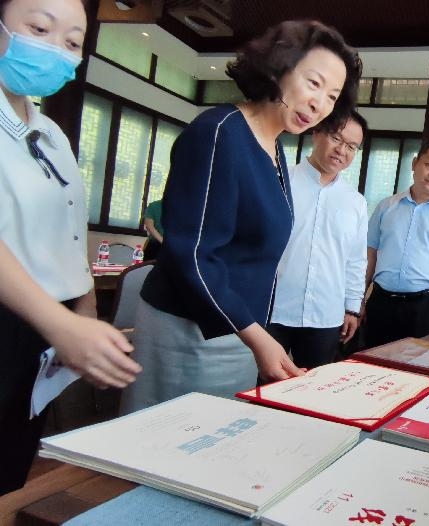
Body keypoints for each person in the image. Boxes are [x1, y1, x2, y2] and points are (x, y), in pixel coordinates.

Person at [119, 20, 361, 414]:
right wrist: (257, 338)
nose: (320, 104)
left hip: (240, 330)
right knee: (169, 436)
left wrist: (254, 335)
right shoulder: (219, 132)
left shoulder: (274, 146)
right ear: (278, 68)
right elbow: (192, 253)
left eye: (332, 96)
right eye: (313, 83)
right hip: (189, 329)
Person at [0, 0, 140, 494]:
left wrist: (83, 310)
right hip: (15, 314)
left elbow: (68, 225)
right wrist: (60, 324)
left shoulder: (50, 132)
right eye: (40, 28)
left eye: (72, 42)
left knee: (12, 463)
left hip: (42, 330)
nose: (56, 49)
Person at [268, 111, 368, 369]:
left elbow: (355, 261)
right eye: (336, 138)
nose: (342, 150)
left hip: (326, 314)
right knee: (264, 383)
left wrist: (352, 308)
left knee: (314, 386)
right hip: (272, 309)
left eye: (351, 146)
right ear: (316, 133)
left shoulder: (355, 202)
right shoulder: (280, 182)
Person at [363, 140, 429, 348]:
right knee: (373, 361)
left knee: (418, 366)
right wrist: (358, 301)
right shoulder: (386, 206)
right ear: (415, 164)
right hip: (381, 302)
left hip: (425, 308)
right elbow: (370, 256)